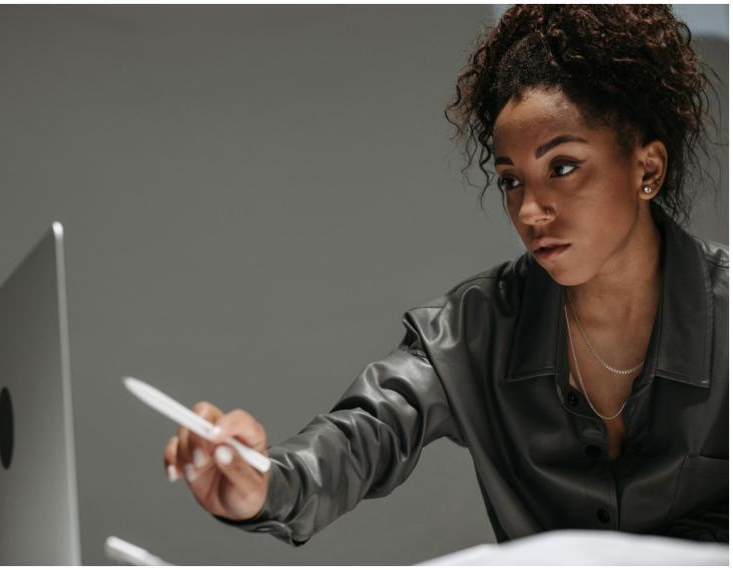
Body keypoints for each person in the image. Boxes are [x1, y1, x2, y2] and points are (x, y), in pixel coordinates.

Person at [163, 4, 728, 546]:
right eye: (511, 180)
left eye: (562, 167)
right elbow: (360, 436)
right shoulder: (472, 330)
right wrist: (261, 482)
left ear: (647, 169)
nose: (531, 211)